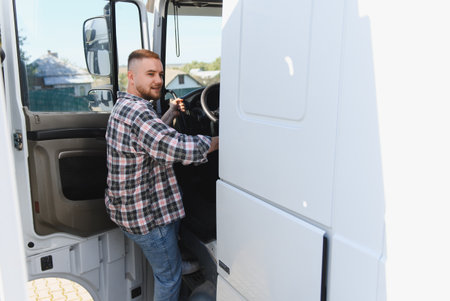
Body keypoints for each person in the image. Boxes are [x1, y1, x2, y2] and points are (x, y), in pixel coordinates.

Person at [104, 49, 219, 301]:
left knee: (168, 264)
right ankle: (173, 265)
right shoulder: (138, 113)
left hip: (128, 211)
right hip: (148, 221)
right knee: (168, 279)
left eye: (160, 74)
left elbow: (152, 138)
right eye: (150, 74)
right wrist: (219, 140)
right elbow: (177, 147)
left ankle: (174, 260)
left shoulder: (125, 106)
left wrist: (170, 113)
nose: (158, 80)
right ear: (131, 76)